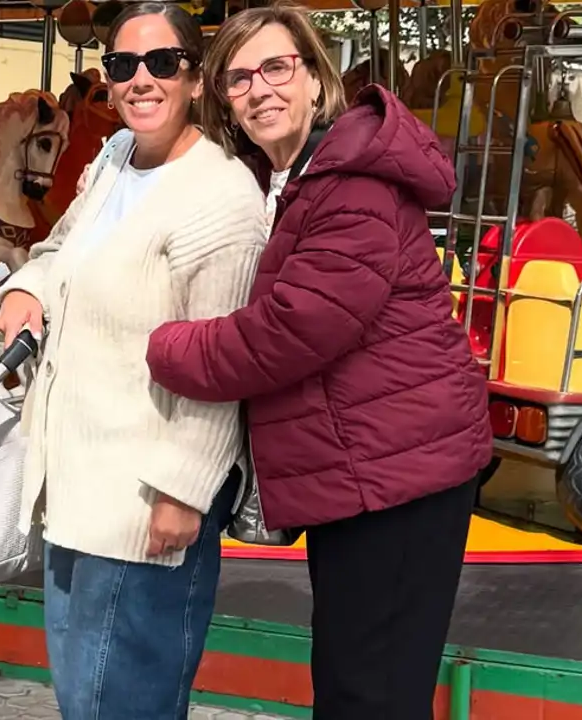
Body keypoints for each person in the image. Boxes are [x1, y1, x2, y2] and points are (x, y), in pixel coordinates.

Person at [143, 4, 493, 719]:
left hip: (400, 476)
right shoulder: (286, 179)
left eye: (276, 67)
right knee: (354, 678)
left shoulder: (351, 184)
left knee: (369, 693)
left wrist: (160, 344)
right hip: (368, 471)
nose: (260, 89)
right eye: (238, 78)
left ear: (312, 76)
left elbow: (290, 331)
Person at [0, 3, 268, 717]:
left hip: (144, 501)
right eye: (122, 66)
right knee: (84, 701)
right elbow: (60, 250)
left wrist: (184, 487)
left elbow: (221, 360)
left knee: (123, 703)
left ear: (196, 78)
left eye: (162, 63)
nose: (141, 80)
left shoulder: (222, 197)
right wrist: (25, 288)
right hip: (74, 485)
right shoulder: (112, 161)